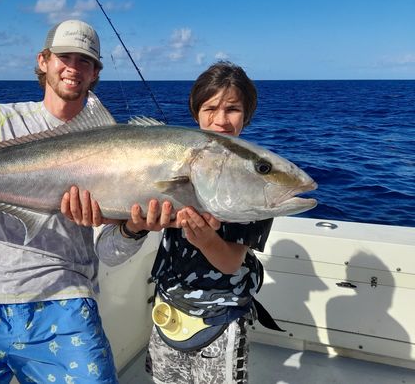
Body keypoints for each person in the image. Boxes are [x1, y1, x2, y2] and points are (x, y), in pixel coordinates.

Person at [0, 20, 142, 384]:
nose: (73, 68)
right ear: (43, 60)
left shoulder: (116, 148)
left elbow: (110, 253)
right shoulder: (1, 119)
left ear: (95, 72)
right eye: (65, 56)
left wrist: (133, 229)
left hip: (67, 295)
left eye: (85, 61)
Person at [64, 61, 275, 384]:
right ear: (196, 112)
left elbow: (232, 262)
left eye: (232, 109)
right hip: (167, 305)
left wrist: (205, 239)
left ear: (246, 115)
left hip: (222, 316)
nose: (220, 119)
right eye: (210, 108)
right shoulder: (177, 155)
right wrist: (134, 225)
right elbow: (125, 205)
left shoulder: (248, 179)